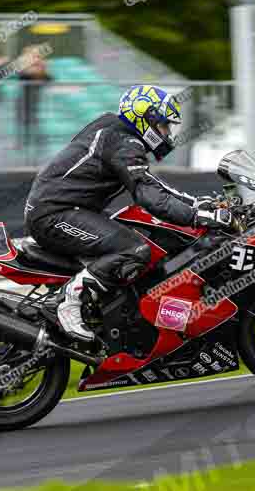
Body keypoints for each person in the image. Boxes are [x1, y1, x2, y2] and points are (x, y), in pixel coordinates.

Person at [23, 85, 231, 341]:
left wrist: (198, 204)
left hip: (63, 209)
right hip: (54, 214)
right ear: (146, 119)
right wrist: (197, 216)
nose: (167, 133)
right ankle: (66, 302)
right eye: (164, 126)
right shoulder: (124, 142)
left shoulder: (117, 133)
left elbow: (152, 185)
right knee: (134, 249)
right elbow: (149, 196)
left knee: (135, 232)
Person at [17, 44, 52, 158]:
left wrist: (40, 68)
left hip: (36, 103)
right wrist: (37, 68)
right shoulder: (22, 68)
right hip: (23, 103)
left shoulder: (42, 68)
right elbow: (25, 75)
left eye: (37, 55)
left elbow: (49, 78)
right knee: (25, 130)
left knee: (37, 130)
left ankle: (38, 155)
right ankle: (25, 154)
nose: (36, 58)